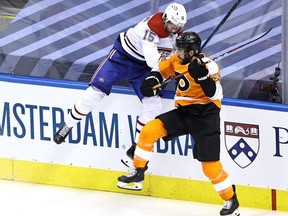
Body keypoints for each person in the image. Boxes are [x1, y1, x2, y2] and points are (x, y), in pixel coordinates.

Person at [117, 32, 240, 216]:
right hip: (184, 113)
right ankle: (138, 170)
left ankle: (230, 199)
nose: (177, 52)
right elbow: (160, 70)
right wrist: (152, 81)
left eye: (181, 50)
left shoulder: (209, 66)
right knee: (149, 130)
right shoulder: (176, 59)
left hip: (206, 117)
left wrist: (203, 77)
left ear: (192, 52)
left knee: (210, 167)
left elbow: (214, 94)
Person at [53, 3, 187, 158]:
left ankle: (137, 145)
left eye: (178, 26)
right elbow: (153, 60)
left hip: (142, 68)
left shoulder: (176, 35)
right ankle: (67, 125)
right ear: (165, 19)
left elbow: (175, 58)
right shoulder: (151, 28)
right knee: (95, 91)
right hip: (122, 58)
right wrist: (172, 69)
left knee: (154, 104)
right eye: (172, 24)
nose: (175, 28)